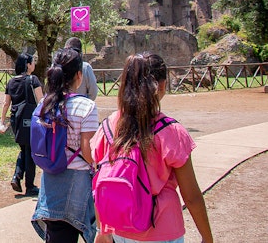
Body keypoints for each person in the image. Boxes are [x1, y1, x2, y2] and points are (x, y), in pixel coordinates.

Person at [91, 53, 214, 243]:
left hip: (120, 228)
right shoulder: (171, 131)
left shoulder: (107, 127)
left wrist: (102, 228)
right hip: (161, 229)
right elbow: (191, 197)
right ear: (162, 85)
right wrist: (207, 238)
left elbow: (100, 180)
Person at [32, 48, 98, 243]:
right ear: (79, 75)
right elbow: (88, 151)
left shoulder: (46, 103)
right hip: (77, 181)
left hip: (50, 177)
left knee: (57, 235)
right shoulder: (86, 106)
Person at [0, 53, 44, 195]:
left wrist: (2, 122)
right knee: (30, 151)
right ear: (28, 65)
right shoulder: (33, 80)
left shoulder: (11, 82)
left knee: (24, 149)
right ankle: (29, 186)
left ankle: (16, 177)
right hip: (30, 120)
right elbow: (41, 101)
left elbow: (6, 103)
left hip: (16, 120)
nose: (34, 65)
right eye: (33, 62)